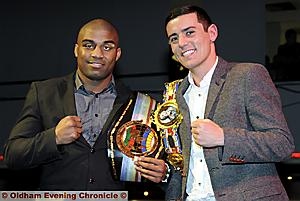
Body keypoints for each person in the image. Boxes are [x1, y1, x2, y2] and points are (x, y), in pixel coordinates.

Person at [3, 18, 167, 191]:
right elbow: (13, 155)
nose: (97, 53)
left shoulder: (137, 105)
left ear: (117, 54)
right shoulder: (44, 92)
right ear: (76, 50)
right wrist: (54, 137)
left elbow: (161, 168)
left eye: (107, 47)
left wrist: (162, 173)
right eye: (89, 45)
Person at [163, 5, 295, 201]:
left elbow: (282, 144)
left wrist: (224, 137)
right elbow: (183, 166)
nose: (182, 43)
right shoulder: (174, 94)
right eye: (174, 38)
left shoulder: (247, 75)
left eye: (189, 32)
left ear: (212, 33)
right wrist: (164, 172)